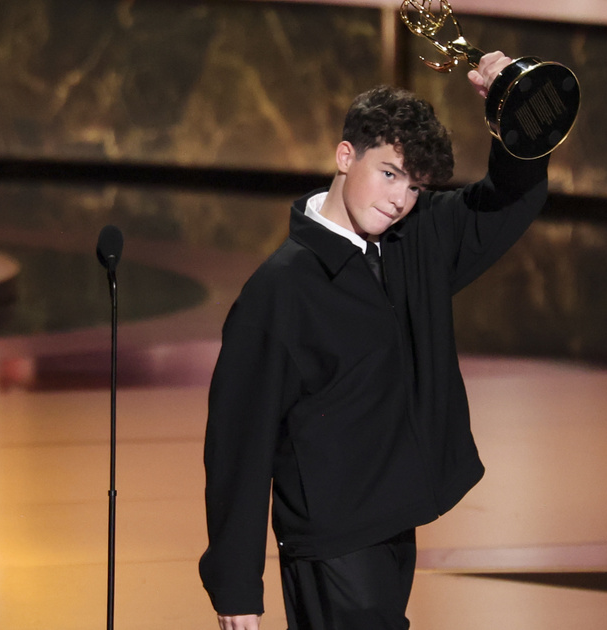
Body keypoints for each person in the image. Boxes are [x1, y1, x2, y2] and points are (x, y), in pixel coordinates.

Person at [200, 51, 550, 630]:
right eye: (389, 174)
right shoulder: (279, 291)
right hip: (332, 542)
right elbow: (239, 442)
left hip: (393, 522)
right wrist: (236, 583)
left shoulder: (415, 239)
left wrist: (518, 109)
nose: (398, 199)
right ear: (345, 156)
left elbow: (509, 199)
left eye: (415, 186)